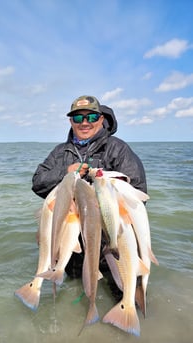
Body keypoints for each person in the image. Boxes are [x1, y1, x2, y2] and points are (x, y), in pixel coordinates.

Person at [31, 95, 147, 296]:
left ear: (101, 119)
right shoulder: (60, 152)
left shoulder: (117, 149)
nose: (84, 123)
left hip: (111, 246)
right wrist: (66, 172)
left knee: (125, 294)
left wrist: (106, 192)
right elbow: (38, 183)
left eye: (91, 117)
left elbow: (138, 192)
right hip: (72, 249)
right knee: (75, 298)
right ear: (70, 121)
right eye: (77, 118)